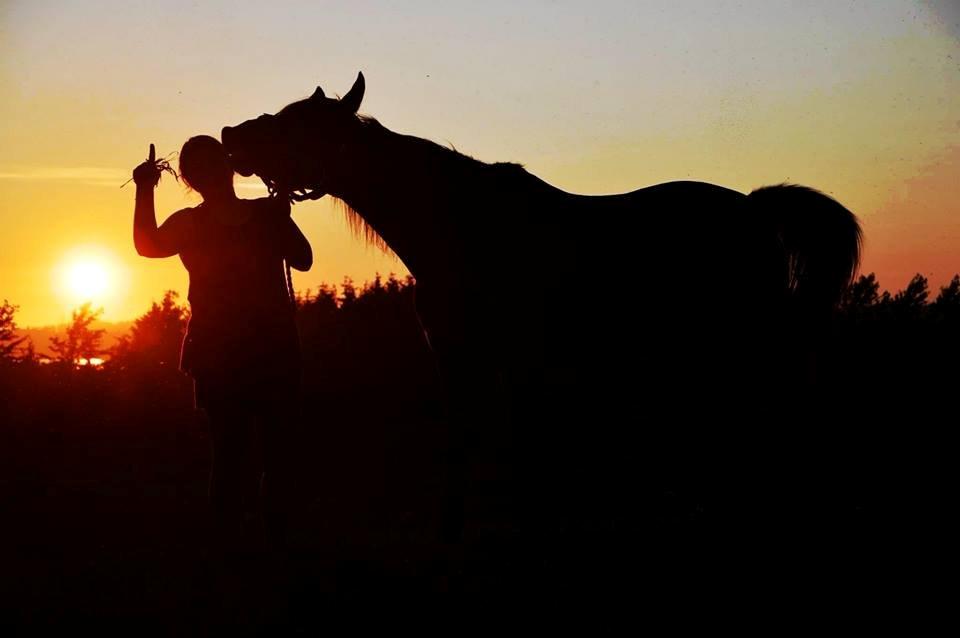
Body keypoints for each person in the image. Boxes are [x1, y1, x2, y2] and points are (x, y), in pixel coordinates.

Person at [132, 136, 312, 550]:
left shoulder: (192, 224)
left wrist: (144, 189)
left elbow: (147, 245)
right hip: (270, 351)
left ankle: (234, 552)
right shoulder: (264, 214)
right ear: (228, 168)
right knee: (274, 455)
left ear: (190, 179)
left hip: (221, 354)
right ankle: (277, 548)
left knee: (232, 457)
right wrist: (280, 220)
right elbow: (303, 258)